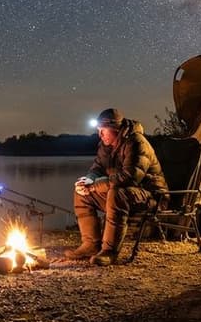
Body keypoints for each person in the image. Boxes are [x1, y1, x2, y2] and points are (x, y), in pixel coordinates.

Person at [65, 108, 168, 266]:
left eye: (103, 131)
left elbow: (129, 178)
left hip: (152, 196)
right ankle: (91, 245)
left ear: (115, 129)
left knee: (117, 193)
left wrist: (94, 186)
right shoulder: (106, 146)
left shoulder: (137, 143)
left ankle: (109, 251)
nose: (100, 135)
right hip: (122, 193)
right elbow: (97, 168)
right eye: (99, 131)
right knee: (81, 194)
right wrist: (87, 181)